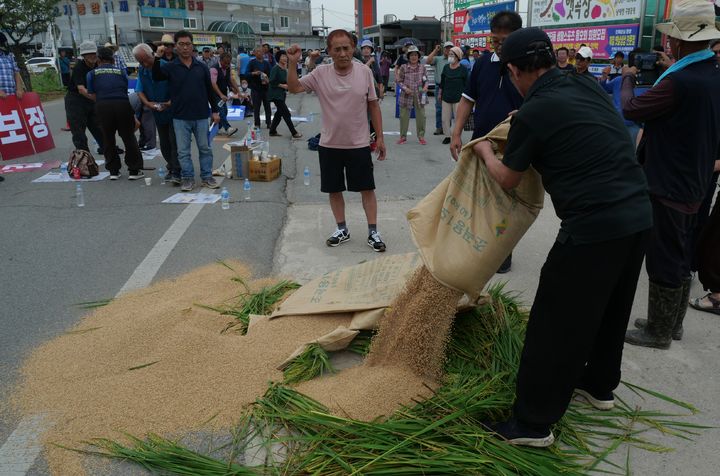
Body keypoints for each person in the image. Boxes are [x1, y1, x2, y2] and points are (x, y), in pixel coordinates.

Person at [477, 27, 652, 447]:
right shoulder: (583, 83)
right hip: (638, 214)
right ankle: (598, 385)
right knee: (611, 306)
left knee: (554, 322)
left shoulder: (535, 112)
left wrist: (482, 150)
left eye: (510, 75)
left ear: (516, 70)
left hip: (593, 226)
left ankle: (532, 424)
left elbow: (508, 179)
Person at [622, 0, 720, 349]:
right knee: (680, 253)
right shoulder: (711, 72)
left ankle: (658, 332)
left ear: (677, 42)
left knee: (664, 255)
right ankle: (671, 324)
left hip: (668, 182)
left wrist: (627, 80)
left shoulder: (680, 81)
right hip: (694, 179)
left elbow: (631, 108)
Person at [285, 30, 388, 252]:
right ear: (329, 51)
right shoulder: (321, 73)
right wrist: (293, 64)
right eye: (337, 49)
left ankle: (373, 231)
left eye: (346, 48)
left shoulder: (363, 72)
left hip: (359, 144)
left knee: (367, 189)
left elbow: (373, 105)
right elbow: (293, 88)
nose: (343, 53)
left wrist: (379, 137)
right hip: (329, 144)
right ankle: (342, 228)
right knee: (334, 189)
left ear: (353, 49)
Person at [450, 11, 524, 273]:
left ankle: (502, 253)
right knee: (476, 199)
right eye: (495, 40)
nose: (499, 45)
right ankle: (478, 247)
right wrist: (457, 133)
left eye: (505, 40)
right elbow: (468, 99)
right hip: (480, 142)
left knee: (504, 203)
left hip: (512, 147)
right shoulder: (482, 63)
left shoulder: (526, 66)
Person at [152, 30, 221, 192]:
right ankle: (188, 178)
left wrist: (215, 111)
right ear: (176, 47)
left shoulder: (202, 67)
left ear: (192, 46)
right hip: (180, 117)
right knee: (183, 152)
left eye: (188, 44)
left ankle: (206, 176)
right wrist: (157, 57)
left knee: (205, 148)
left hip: (201, 115)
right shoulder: (171, 67)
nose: (185, 48)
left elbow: (210, 91)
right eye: (181, 44)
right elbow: (156, 76)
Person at [86, 47, 144, 180]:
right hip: (122, 104)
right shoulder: (121, 72)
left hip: (103, 106)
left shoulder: (91, 74)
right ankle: (134, 171)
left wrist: (102, 101)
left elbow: (92, 94)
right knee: (128, 137)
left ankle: (113, 171)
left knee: (107, 138)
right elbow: (124, 90)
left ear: (98, 59)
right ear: (113, 60)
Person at [133, 43, 181, 184]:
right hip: (157, 111)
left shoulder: (166, 66)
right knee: (164, 142)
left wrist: (170, 102)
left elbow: (179, 88)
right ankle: (171, 166)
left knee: (174, 141)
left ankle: (177, 170)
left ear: (152, 54)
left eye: (146, 59)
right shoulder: (142, 70)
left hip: (172, 110)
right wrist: (148, 103)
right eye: (140, 61)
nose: (144, 63)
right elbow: (139, 89)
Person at [65, 41, 105, 155]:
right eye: (88, 54)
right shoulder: (79, 67)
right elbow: (81, 89)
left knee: (99, 128)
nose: (92, 56)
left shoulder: (98, 65)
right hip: (75, 100)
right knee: (79, 132)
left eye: (93, 53)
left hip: (91, 99)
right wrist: (98, 99)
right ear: (83, 56)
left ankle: (109, 152)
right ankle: (84, 158)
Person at [396, 45, 427, 145]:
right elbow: (399, 81)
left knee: (421, 116)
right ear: (408, 57)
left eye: (415, 55)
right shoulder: (403, 67)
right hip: (406, 94)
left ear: (418, 56)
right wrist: (405, 89)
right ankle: (403, 137)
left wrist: (426, 86)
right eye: (411, 55)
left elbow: (426, 80)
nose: (414, 57)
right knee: (404, 116)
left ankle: (421, 136)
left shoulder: (422, 67)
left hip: (420, 93)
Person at [268, 51, 302, 139]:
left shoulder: (285, 69)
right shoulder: (275, 68)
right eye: (283, 56)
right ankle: (294, 132)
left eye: (285, 56)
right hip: (275, 95)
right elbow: (271, 81)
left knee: (279, 113)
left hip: (282, 94)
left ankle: (272, 131)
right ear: (278, 58)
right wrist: (282, 85)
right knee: (286, 113)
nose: (285, 58)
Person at [439, 46, 467, 146]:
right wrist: (440, 93)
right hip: (446, 97)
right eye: (449, 54)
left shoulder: (463, 69)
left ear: (458, 56)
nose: (450, 56)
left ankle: (456, 136)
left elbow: (467, 84)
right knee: (445, 119)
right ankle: (447, 136)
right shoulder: (446, 67)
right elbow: (442, 82)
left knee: (458, 119)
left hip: (459, 98)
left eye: (452, 55)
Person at [424, 41, 453, 136]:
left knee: (450, 109)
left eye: (450, 48)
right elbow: (427, 61)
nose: (448, 50)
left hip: (450, 87)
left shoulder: (454, 60)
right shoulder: (438, 59)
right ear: (444, 49)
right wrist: (435, 50)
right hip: (439, 86)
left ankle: (447, 128)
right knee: (439, 108)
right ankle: (439, 127)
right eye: (447, 48)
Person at [210, 52, 240, 137]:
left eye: (228, 63)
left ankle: (214, 128)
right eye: (225, 63)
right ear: (220, 60)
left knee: (225, 111)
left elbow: (230, 79)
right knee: (221, 111)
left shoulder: (228, 68)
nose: (227, 65)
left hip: (223, 92)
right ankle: (228, 128)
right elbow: (213, 84)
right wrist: (220, 95)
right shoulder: (214, 69)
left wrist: (237, 90)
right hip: (214, 93)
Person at [247, 47, 272, 129]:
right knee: (256, 107)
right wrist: (254, 73)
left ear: (263, 53)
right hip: (255, 88)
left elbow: (270, 74)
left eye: (260, 51)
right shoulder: (252, 62)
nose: (259, 53)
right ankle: (257, 124)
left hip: (265, 88)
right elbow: (246, 74)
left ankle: (269, 123)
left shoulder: (266, 63)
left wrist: (267, 79)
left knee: (267, 106)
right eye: (257, 51)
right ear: (254, 53)